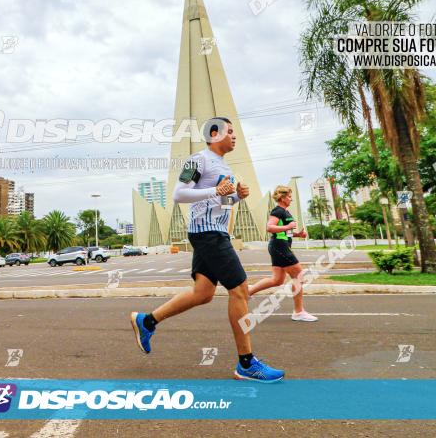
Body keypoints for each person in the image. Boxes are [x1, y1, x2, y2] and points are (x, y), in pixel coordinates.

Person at [129, 117, 285, 382]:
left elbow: (220, 202)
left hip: (214, 231)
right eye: (230, 131)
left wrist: (237, 196)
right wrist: (216, 189)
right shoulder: (197, 160)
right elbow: (179, 194)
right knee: (239, 290)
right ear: (215, 133)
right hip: (207, 234)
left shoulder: (224, 166)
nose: (235, 136)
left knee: (203, 294)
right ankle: (246, 363)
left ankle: (147, 321)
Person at [247, 185, 317, 322]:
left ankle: (246, 293)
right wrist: (288, 227)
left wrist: (297, 234)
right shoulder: (278, 210)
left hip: (280, 245)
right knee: (298, 275)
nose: (291, 199)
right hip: (279, 246)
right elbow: (269, 227)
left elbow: (285, 232)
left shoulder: (286, 212)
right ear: (283, 198)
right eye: (289, 197)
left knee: (277, 280)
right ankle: (298, 312)